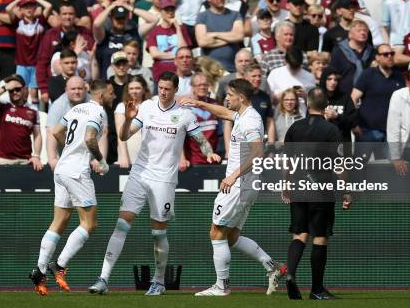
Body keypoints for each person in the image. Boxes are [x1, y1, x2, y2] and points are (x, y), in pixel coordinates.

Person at [89, 72, 220, 296]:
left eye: (167, 88)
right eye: (160, 87)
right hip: (139, 175)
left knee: (158, 234)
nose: (163, 91)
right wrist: (129, 118)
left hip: (164, 180)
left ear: (175, 90)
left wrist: (210, 153)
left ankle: (158, 281)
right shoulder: (147, 107)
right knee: (121, 225)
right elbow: (123, 137)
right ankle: (103, 279)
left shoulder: (185, 115)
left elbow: (201, 140)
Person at [181, 78, 284, 297]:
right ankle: (272, 266)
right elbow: (224, 113)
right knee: (232, 236)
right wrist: (200, 104)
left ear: (242, 98)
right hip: (244, 186)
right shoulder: (242, 115)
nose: (226, 98)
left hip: (238, 185)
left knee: (216, 232)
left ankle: (222, 286)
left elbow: (258, 152)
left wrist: (233, 176)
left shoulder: (251, 122)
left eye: (229, 95)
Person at [29, 80, 114, 296]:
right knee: (89, 223)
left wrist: (69, 148)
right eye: (112, 92)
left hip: (61, 169)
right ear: (102, 95)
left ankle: (39, 269)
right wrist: (101, 161)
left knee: (59, 221)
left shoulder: (76, 108)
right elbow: (90, 139)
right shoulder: (98, 112)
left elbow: (57, 132)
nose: (115, 96)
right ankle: (59, 264)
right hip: (76, 172)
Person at [283, 87, 347, 300]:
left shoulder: (294, 127)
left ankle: (290, 273)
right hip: (321, 190)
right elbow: (339, 165)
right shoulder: (331, 130)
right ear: (326, 106)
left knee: (299, 233)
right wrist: (347, 191)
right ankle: (317, 290)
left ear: (307, 104)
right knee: (320, 237)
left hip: (299, 187)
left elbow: (288, 160)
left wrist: (285, 184)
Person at [351, 43, 405, 156]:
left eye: (392, 53)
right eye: (385, 54)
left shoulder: (399, 76)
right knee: (359, 166)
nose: (390, 56)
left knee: (388, 169)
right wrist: (354, 123)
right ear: (377, 57)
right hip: (368, 130)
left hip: (392, 132)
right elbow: (354, 98)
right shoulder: (368, 74)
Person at [0, 74, 43, 170]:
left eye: (18, 89)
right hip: (3, 160)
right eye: (11, 90)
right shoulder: (3, 106)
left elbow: (37, 135)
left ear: (24, 89)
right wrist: (5, 87)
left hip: (25, 160)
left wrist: (36, 156)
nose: (14, 92)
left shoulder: (33, 110)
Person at [195, 0, 244, 73]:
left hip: (232, 69)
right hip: (209, 71)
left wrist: (214, 34)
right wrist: (230, 39)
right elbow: (202, 42)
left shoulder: (235, 15)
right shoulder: (202, 16)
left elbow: (239, 36)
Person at [147, 0, 191, 82]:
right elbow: (154, 54)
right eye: (167, 10)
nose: (170, 12)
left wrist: (178, 29)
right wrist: (177, 56)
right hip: (161, 74)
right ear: (161, 11)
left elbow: (184, 50)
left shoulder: (181, 29)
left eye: (172, 10)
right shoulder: (154, 31)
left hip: (179, 75)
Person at [328, 20, 375, 95]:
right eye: (358, 31)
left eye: (365, 31)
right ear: (350, 34)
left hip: (368, 94)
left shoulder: (373, 53)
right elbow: (332, 73)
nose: (363, 33)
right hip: (343, 94)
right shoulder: (339, 51)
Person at [115, 75, 151, 169]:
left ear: (144, 89)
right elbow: (120, 134)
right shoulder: (121, 107)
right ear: (127, 90)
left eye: (138, 88)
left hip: (149, 156)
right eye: (131, 88)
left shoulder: (151, 105)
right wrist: (124, 156)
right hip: (129, 154)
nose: (134, 91)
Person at [319, 67, 357, 143]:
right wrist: (323, 118)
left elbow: (353, 120)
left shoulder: (345, 98)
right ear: (324, 80)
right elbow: (309, 120)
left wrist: (337, 116)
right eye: (329, 79)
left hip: (342, 142)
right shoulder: (317, 97)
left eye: (335, 80)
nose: (333, 82)